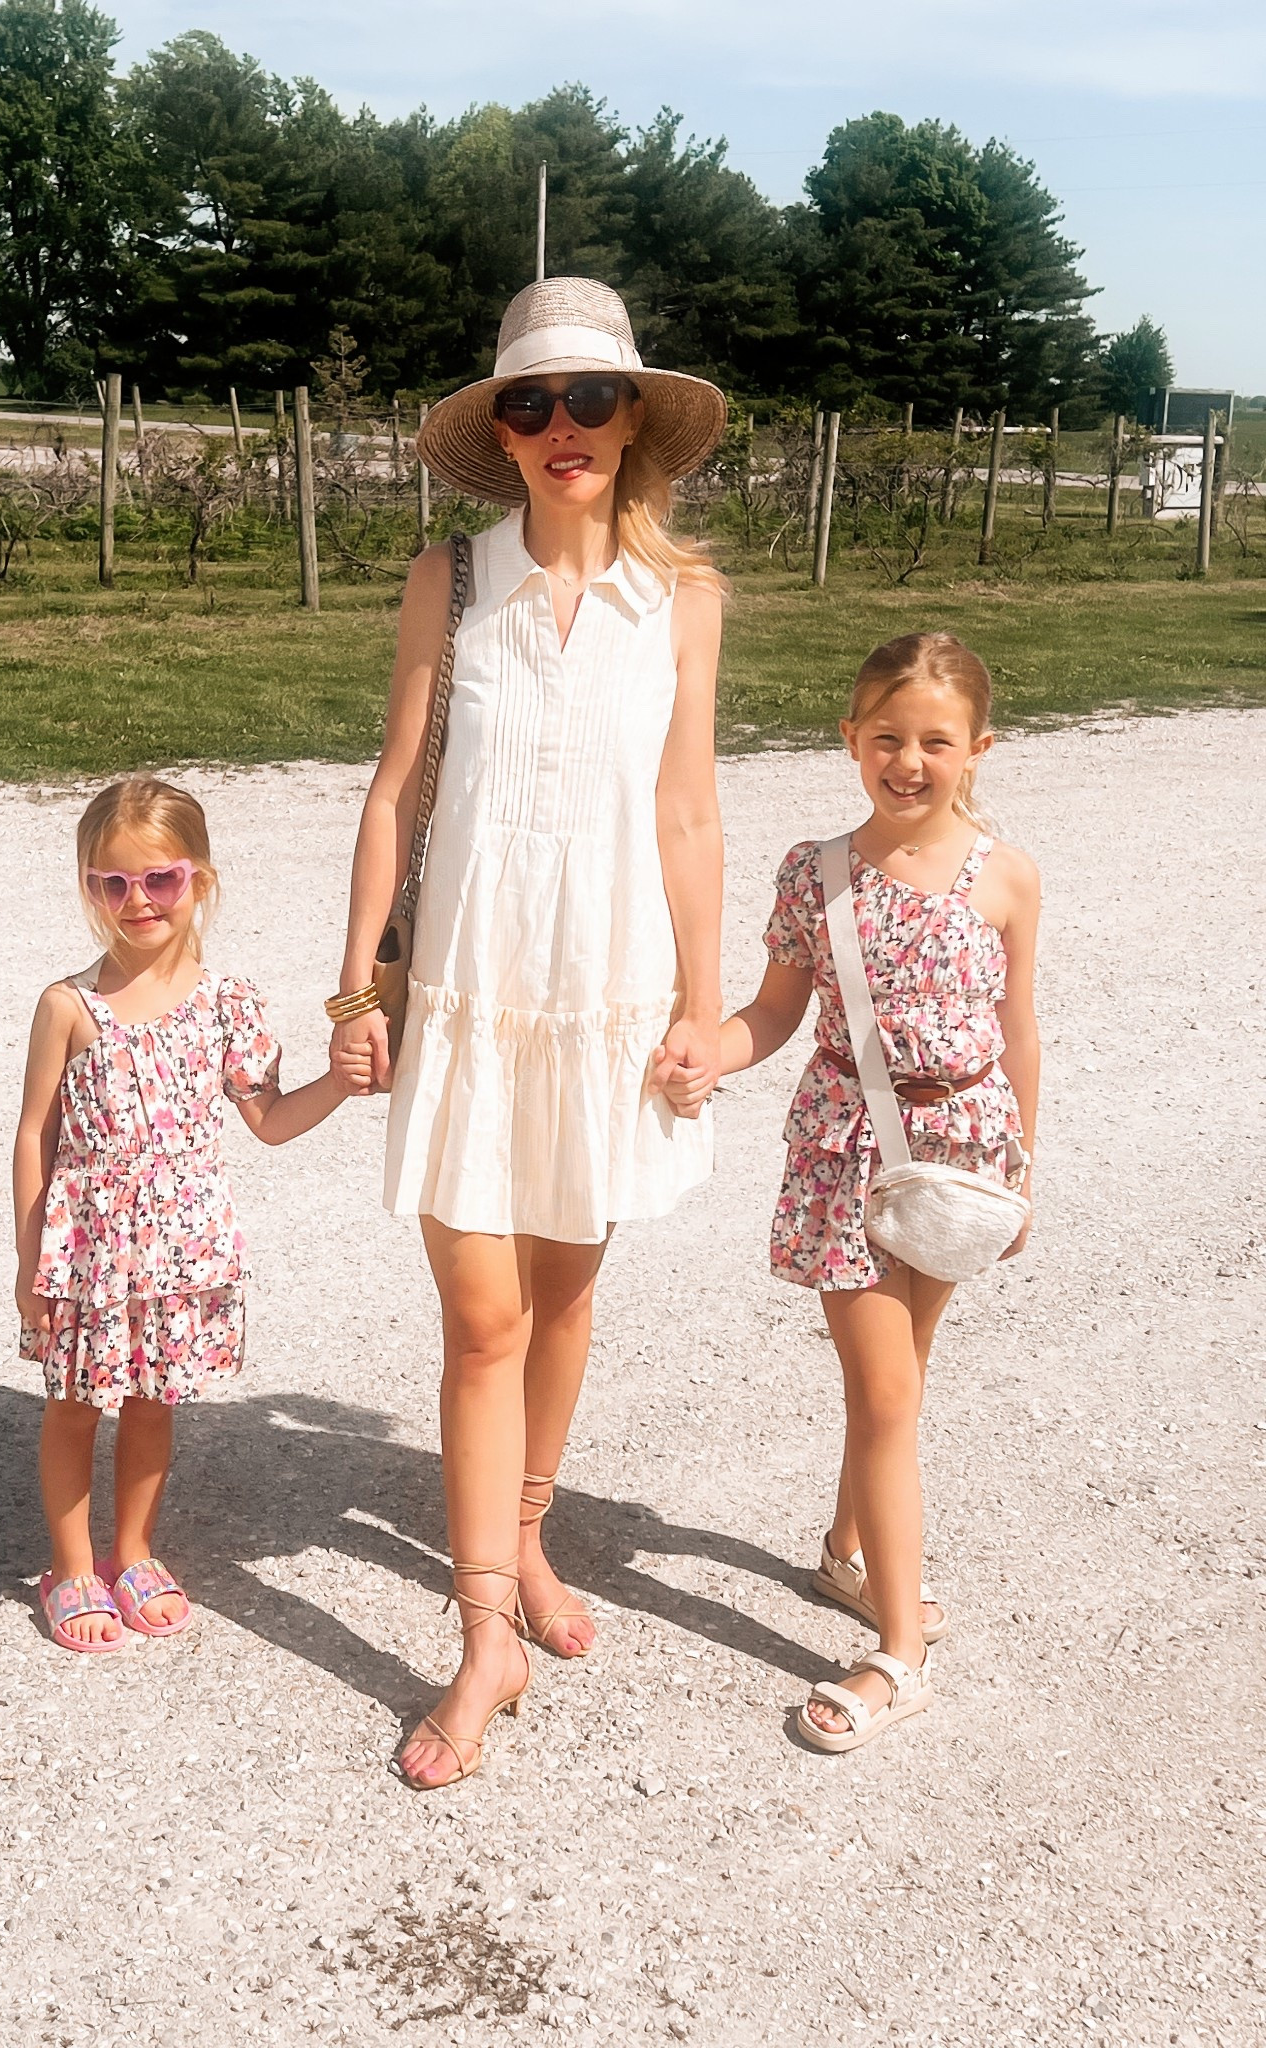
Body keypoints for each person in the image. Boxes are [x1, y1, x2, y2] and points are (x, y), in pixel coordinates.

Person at [329, 277, 728, 1786]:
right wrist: (357, 986)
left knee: (563, 1302)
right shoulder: (451, 577)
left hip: (609, 995)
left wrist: (702, 1007)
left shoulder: (684, 600)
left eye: (591, 398)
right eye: (529, 402)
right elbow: (397, 789)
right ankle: (484, 1630)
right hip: (472, 992)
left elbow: (687, 813)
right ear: (500, 431)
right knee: (483, 1320)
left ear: (636, 422)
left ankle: (529, 1538)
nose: (563, 426)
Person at [670, 633, 1040, 1751]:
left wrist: (1023, 1171)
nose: (909, 761)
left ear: (978, 749)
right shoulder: (815, 872)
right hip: (847, 1151)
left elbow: (1019, 1030)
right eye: (887, 737)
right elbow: (774, 1012)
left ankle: (847, 1553)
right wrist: (711, 1049)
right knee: (884, 1393)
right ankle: (901, 1653)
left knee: (901, 1382)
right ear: (850, 739)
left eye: (936, 741)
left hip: (964, 1147)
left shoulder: (1008, 876)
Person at [14, 775, 367, 1653]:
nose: (137, 900)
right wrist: (29, 1263)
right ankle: (71, 1565)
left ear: (199, 880)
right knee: (73, 1404)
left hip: (180, 1251)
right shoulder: (69, 1006)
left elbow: (269, 1120)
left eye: (159, 879)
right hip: (87, 1253)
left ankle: (133, 1550)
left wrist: (339, 1082)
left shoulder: (226, 1005)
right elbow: (33, 1136)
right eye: (112, 883)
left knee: (152, 1403)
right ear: (90, 888)